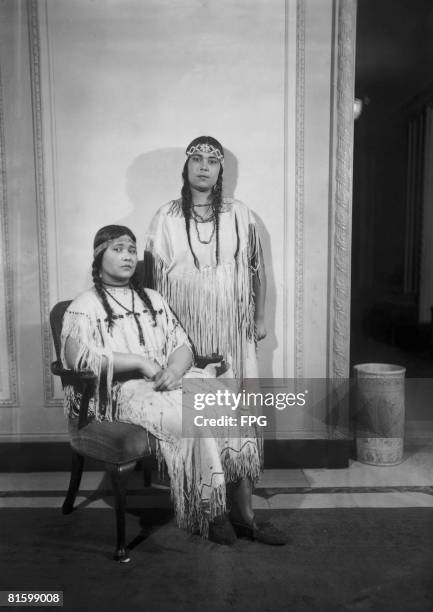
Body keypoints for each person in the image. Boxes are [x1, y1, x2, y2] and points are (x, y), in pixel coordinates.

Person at [61, 225, 286, 545]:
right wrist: (139, 362)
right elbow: (79, 358)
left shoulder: (152, 299)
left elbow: (181, 346)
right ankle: (210, 510)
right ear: (98, 256)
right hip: (122, 392)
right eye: (117, 249)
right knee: (192, 417)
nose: (127, 256)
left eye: (130, 249)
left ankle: (244, 514)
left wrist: (176, 369)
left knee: (233, 407)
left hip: (170, 380)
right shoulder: (85, 305)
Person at [143, 135, 267, 380]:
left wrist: (260, 317)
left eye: (212, 161)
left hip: (233, 325)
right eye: (196, 159)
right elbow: (150, 282)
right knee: (192, 401)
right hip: (182, 325)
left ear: (219, 170)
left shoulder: (239, 213)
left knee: (236, 396)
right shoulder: (166, 216)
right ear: (186, 166)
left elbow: (257, 268)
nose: (203, 166)